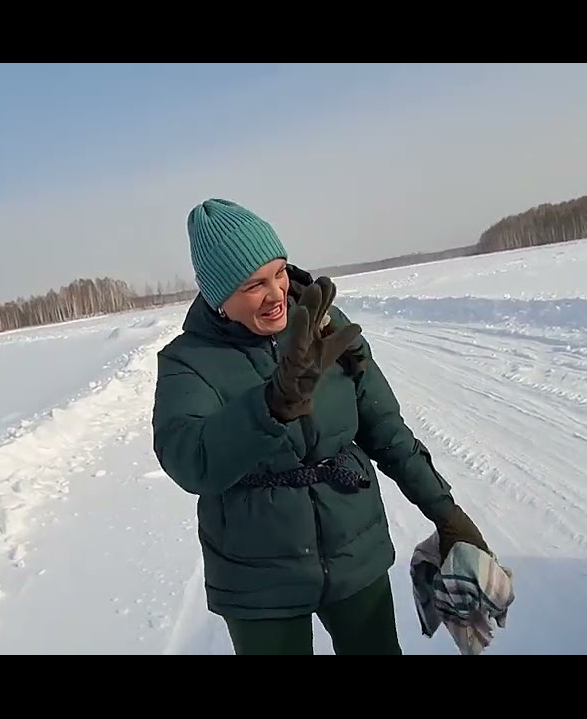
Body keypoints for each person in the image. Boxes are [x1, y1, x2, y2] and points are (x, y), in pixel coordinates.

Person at [151, 197, 488, 655]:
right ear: (219, 299)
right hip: (258, 579)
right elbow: (189, 460)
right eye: (253, 285)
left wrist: (447, 515)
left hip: (355, 553)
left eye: (280, 272)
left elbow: (385, 430)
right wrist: (268, 406)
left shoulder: (327, 326)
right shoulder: (187, 362)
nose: (276, 294)